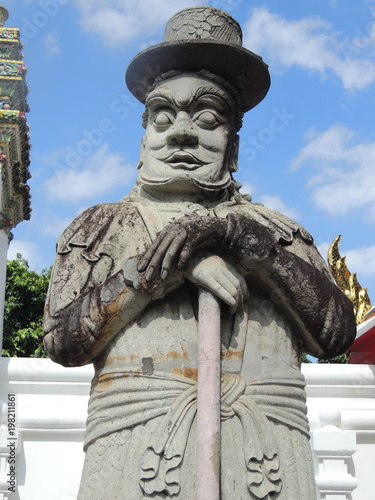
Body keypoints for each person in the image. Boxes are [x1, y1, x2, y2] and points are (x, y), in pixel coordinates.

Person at [43, 7, 356, 499]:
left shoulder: (279, 231)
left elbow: (334, 333)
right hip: (138, 447)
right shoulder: (102, 225)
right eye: (163, 116)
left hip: (264, 454)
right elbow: (62, 342)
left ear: (231, 144)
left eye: (208, 118)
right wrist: (160, 271)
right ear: (144, 135)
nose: (182, 132)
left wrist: (243, 242)